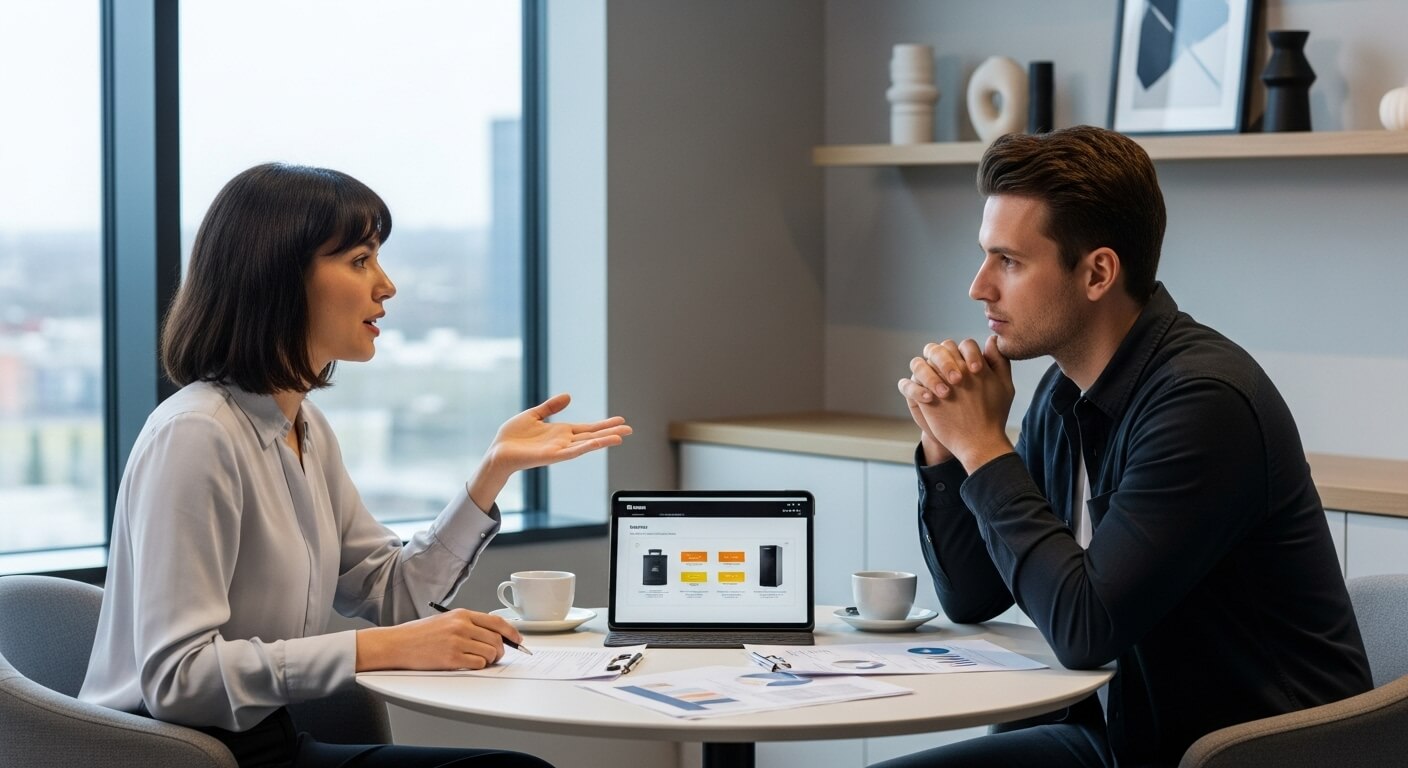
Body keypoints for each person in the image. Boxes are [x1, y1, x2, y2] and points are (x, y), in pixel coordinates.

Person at [80, 163, 632, 768]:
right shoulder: (196, 434)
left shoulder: (305, 428)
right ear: (280, 278)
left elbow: (394, 594)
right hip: (176, 756)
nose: (387, 285)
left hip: (268, 744)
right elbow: (178, 680)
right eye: (360, 259)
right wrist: (380, 648)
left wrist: (492, 471)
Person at [884, 126, 1371, 768]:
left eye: (1009, 260)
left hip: (1247, 753)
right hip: (1121, 736)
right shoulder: (1064, 392)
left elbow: (1085, 629)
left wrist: (984, 447)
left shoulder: (1203, 403)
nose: (979, 286)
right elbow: (974, 596)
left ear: (1098, 273)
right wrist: (945, 441)